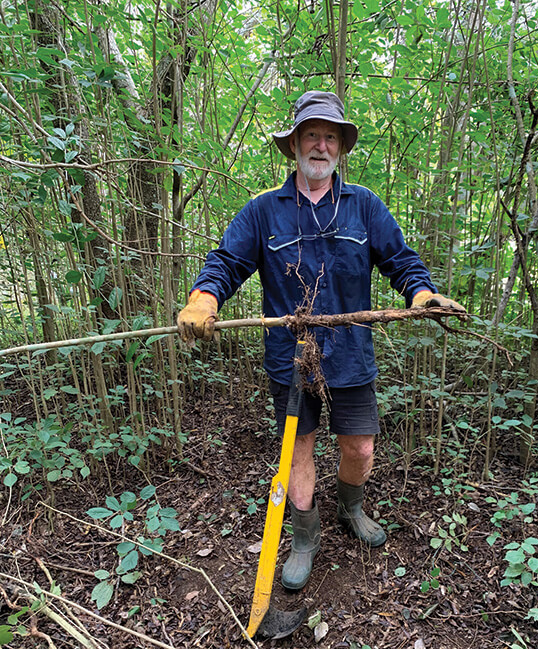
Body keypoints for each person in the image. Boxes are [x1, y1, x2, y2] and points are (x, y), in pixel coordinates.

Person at [177, 90, 465, 591]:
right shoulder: (263, 211)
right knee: (298, 449)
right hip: (290, 358)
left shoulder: (364, 207)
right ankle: (305, 536)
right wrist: (204, 299)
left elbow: (400, 259)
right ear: (294, 145)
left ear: (340, 147)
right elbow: (225, 262)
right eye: (311, 134)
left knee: (361, 447)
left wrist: (421, 294)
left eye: (330, 136)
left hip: (351, 354)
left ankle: (351, 508)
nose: (320, 145)